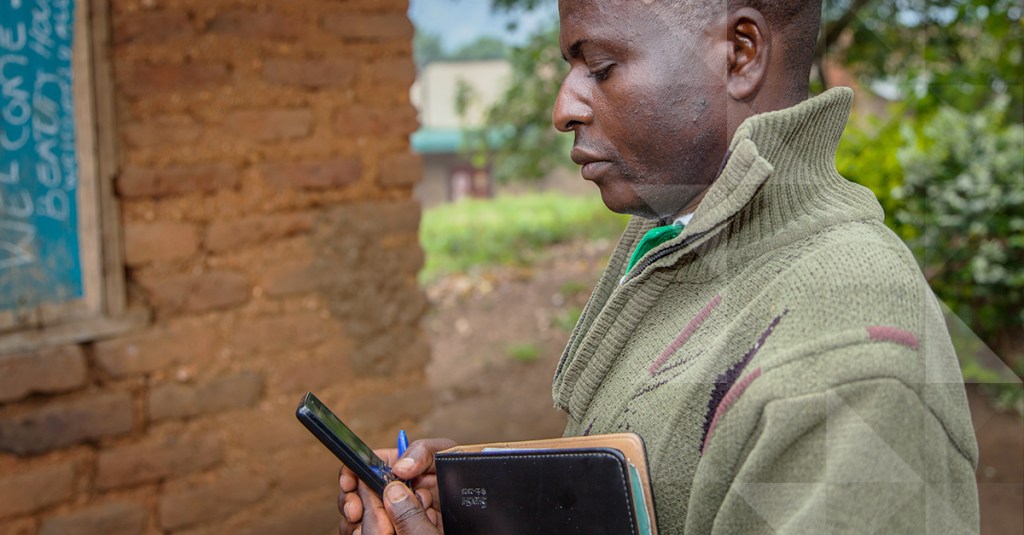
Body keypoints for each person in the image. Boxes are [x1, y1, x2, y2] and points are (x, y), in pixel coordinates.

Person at [339, 0, 981, 533]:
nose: (564, 108)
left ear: (740, 54)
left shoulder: (845, 364)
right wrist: (501, 501)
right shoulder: (692, 243)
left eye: (603, 66)